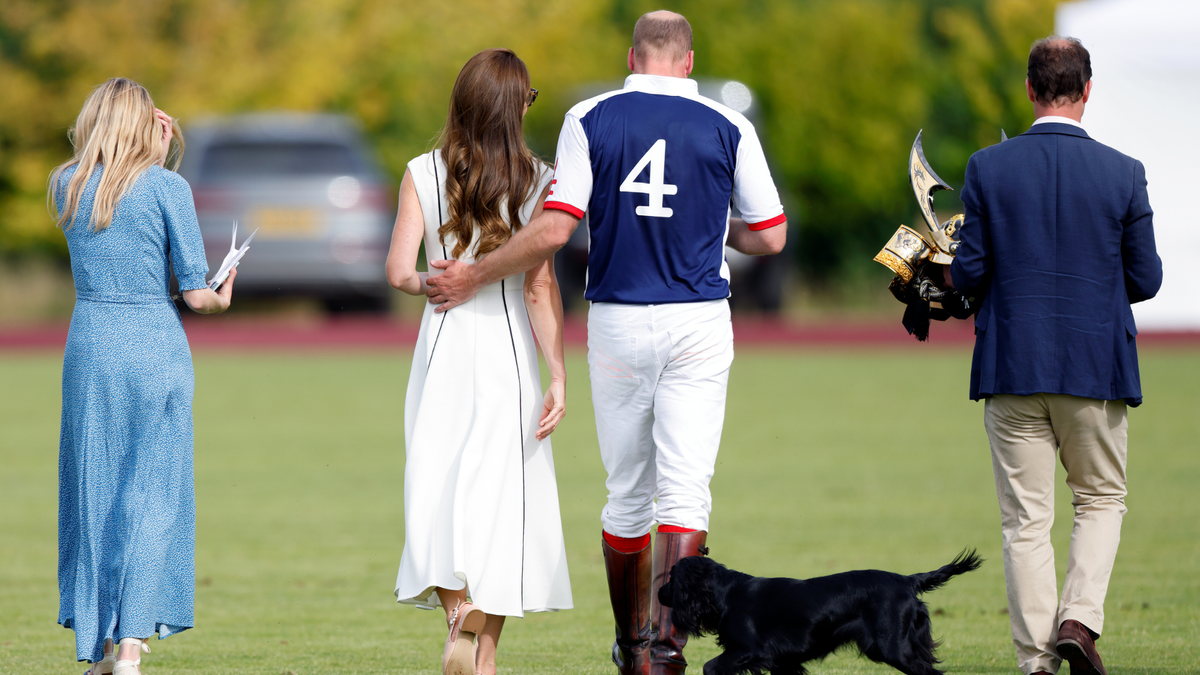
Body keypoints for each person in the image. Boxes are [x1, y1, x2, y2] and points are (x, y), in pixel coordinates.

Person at [425, 12, 787, 675]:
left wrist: (474, 271)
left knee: (626, 493)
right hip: (699, 321)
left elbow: (558, 228)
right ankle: (668, 648)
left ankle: (632, 644)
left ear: (632, 56)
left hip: (619, 317)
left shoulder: (591, 116)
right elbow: (771, 234)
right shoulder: (729, 124)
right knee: (686, 494)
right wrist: (715, 226)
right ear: (688, 60)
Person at [945, 37, 1161, 675]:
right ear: (1086, 91)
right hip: (1095, 368)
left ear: (1031, 91)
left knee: (1025, 523)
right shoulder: (1125, 172)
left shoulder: (987, 167)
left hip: (1012, 366)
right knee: (1099, 500)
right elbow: (1145, 280)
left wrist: (940, 281)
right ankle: (1079, 619)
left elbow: (971, 273)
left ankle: (1037, 663)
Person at [386, 48, 573, 675]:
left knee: (436, 485)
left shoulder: (420, 169)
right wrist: (558, 374)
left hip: (442, 344)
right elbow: (540, 287)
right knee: (503, 500)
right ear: (515, 105)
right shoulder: (541, 178)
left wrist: (432, 284)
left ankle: (455, 616)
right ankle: (484, 653)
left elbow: (395, 273)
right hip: (510, 348)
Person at [51, 77, 236, 675]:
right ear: (147, 126)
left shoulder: (66, 184)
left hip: (90, 346)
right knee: (152, 494)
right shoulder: (167, 187)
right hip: (154, 345)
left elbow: (108, 192)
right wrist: (224, 295)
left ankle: (103, 645)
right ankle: (132, 644)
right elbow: (196, 293)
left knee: (94, 492)